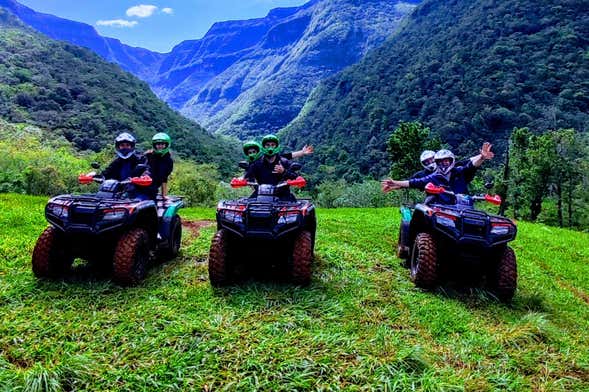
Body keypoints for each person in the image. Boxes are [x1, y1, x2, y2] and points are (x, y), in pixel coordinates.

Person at [381, 142, 494, 201]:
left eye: (446, 161)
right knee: (425, 212)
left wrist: (482, 157)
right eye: (440, 162)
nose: (444, 164)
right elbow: (413, 182)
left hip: (462, 203)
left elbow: (471, 164)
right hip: (439, 204)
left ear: (451, 161)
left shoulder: (459, 170)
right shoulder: (431, 176)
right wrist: (395, 183)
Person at [97, 132, 152, 200]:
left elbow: (147, 169)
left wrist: (145, 176)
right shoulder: (117, 161)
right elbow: (107, 172)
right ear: (118, 147)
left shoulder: (141, 159)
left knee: (136, 204)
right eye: (122, 145)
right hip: (119, 193)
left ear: (132, 146)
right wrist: (95, 176)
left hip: (139, 192)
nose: (125, 147)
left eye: (127, 145)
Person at [244, 134, 299, 200]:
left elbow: (296, 177)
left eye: (273, 145)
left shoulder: (284, 162)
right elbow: (247, 176)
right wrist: (243, 180)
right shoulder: (257, 163)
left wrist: (284, 171)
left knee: (293, 207)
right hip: (261, 194)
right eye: (267, 145)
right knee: (246, 205)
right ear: (263, 146)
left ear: (276, 146)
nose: (270, 147)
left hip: (283, 195)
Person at [145, 132, 174, 198]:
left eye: (162, 144)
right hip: (141, 185)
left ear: (167, 144)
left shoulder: (168, 161)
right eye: (157, 144)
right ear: (154, 145)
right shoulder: (148, 155)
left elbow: (164, 178)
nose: (160, 146)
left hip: (153, 189)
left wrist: (164, 195)